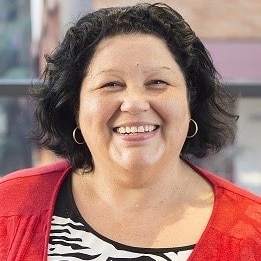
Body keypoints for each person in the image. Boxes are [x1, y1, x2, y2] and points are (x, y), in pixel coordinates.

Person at [0, 3, 260, 260]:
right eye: (111, 84)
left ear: (189, 99)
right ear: (75, 106)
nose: (135, 103)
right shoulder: (8, 206)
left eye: (157, 82)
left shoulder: (253, 231)